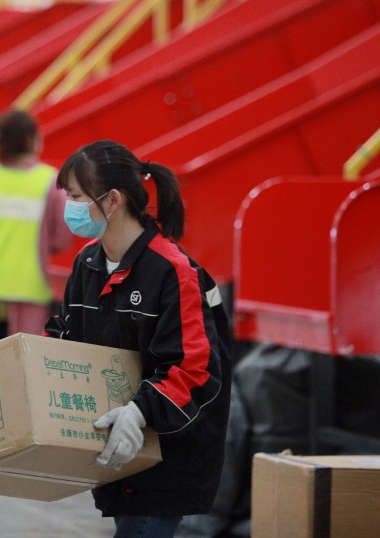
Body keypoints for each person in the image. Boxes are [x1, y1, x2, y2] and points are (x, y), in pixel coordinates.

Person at [43, 140, 232, 537]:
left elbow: (194, 369)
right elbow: (65, 337)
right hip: (116, 455)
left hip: (166, 457)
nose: (70, 209)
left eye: (76, 197)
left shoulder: (173, 272)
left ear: (112, 200)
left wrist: (139, 412)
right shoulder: (88, 264)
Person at [0, 109, 71, 355]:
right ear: (30, 140)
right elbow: (62, 236)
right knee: (22, 373)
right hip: (28, 290)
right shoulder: (48, 180)